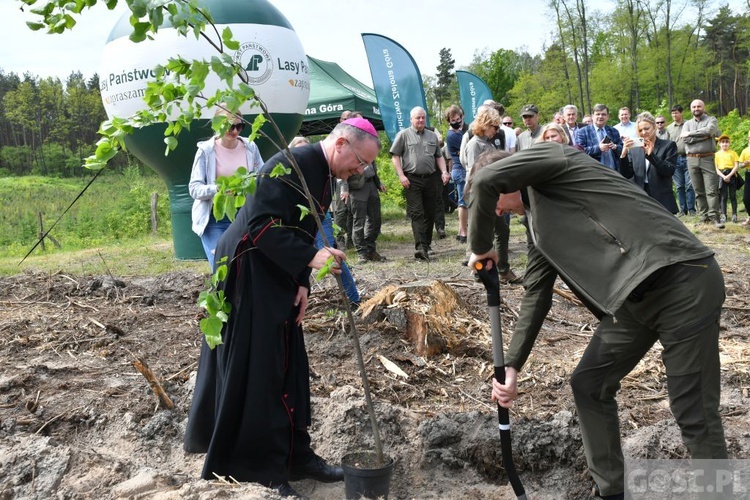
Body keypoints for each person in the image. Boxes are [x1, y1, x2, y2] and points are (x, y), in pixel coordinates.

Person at [469, 141, 727, 500]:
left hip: (682, 280)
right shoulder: (537, 229)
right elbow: (536, 296)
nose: (491, 208)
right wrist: (512, 365)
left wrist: (480, 246)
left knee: (693, 410)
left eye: (490, 199)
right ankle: (612, 490)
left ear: (509, 176)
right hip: (634, 304)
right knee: (589, 384)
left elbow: (484, 182)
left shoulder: (554, 161)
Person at [183, 118, 381, 498]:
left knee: (288, 364)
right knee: (261, 368)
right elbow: (261, 226)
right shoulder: (289, 164)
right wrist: (312, 257)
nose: (361, 170)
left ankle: (295, 455)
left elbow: (299, 230)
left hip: (277, 270)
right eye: (359, 161)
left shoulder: (323, 172)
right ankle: (258, 464)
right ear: (340, 143)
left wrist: (303, 281)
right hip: (248, 270)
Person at [189, 106, 264, 270]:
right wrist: (219, 189)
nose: (235, 131)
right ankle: (223, 295)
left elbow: (262, 179)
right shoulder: (206, 151)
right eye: (230, 126)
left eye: (239, 126)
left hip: (245, 216)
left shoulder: (250, 147)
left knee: (247, 267)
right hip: (215, 218)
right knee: (223, 266)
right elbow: (194, 189)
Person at [291, 136, 362, 306]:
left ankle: (354, 300)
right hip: (297, 221)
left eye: (305, 149)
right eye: (299, 151)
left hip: (321, 219)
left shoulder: (323, 171)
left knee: (333, 258)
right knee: (299, 259)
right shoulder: (290, 175)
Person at [390, 106, 450, 260]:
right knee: (417, 213)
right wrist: (401, 175)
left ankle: (427, 244)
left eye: (423, 117)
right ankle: (420, 248)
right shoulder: (403, 135)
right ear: (411, 119)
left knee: (430, 213)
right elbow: (395, 156)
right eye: (418, 117)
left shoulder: (432, 136)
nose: (421, 120)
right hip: (412, 179)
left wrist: (444, 172)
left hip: (431, 179)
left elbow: (439, 156)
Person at [619, 112, 679, 213]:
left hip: (661, 197)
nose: (643, 132)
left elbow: (669, 171)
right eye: (640, 130)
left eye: (646, 128)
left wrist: (651, 156)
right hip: (641, 195)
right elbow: (627, 174)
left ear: (654, 127)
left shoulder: (668, 146)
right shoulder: (635, 148)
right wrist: (623, 154)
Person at [682, 99, 724, 228]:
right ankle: (703, 216)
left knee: (711, 189)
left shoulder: (712, 120)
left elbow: (710, 131)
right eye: (694, 107)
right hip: (691, 159)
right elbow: (686, 139)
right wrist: (703, 136)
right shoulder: (687, 123)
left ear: (703, 107)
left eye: (698, 106)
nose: (696, 108)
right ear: (691, 109)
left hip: (708, 158)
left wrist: (692, 134)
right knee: (698, 190)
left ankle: (714, 217)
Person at [340, 151, 387, 263]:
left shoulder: (367, 147)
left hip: (371, 185)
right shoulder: (349, 150)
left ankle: (370, 249)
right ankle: (362, 253)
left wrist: (378, 183)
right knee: (359, 222)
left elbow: (373, 168)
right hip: (356, 189)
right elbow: (342, 171)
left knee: (375, 220)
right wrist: (345, 189)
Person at [445, 105, 470, 242]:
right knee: (463, 203)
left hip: (460, 169)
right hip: (460, 169)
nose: (457, 121)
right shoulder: (453, 135)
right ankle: (464, 233)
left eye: (458, 118)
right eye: (453, 119)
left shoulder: (458, 132)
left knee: (464, 201)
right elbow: (466, 151)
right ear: (449, 120)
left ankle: (462, 231)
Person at [666, 105, 696, 216]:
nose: (674, 115)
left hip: (689, 156)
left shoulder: (689, 124)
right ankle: (683, 210)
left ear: (681, 113)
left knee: (690, 184)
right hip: (675, 159)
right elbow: (667, 144)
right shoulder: (669, 128)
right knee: (679, 186)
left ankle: (692, 209)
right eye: (672, 113)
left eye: (676, 113)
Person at [575, 104, 622, 171]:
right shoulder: (582, 132)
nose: (600, 116)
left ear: (607, 116)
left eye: (603, 114)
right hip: (594, 172)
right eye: (598, 114)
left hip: (614, 170)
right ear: (592, 116)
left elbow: (622, 149)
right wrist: (599, 148)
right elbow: (579, 152)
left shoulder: (613, 131)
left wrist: (615, 147)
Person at [714, 133, 741, 224]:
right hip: (721, 175)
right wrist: (724, 176)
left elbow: (736, 166)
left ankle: (734, 214)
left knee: (733, 196)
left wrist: (729, 176)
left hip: (732, 175)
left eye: (727, 142)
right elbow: (716, 168)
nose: (725, 144)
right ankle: (724, 215)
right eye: (723, 142)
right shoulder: (716, 154)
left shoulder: (733, 153)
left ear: (729, 143)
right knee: (723, 197)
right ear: (719, 144)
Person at [739, 130, 750, 226]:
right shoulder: (745, 151)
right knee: (746, 199)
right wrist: (744, 164)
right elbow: (740, 165)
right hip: (749, 174)